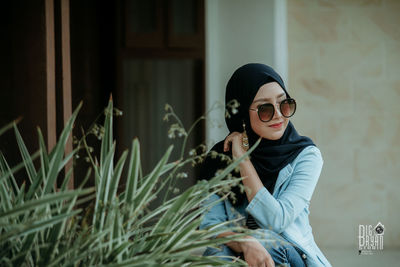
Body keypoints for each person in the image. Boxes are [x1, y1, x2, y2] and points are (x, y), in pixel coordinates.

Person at [199, 63, 332, 266]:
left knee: (264, 240)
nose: (278, 114)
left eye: (284, 104)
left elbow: (276, 221)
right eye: (265, 108)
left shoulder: (306, 155)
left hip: (292, 256)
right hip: (240, 253)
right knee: (216, 252)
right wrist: (245, 242)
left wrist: (242, 160)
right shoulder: (218, 159)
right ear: (243, 115)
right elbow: (212, 226)